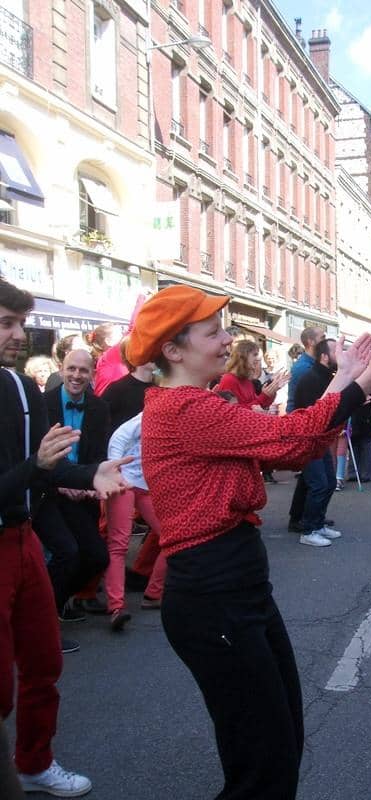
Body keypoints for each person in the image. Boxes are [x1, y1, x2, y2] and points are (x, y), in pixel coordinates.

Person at [125, 284, 371, 800]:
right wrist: (362, 381)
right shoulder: (184, 410)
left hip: (236, 587)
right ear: (173, 351)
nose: (227, 339)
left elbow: (292, 448)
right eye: (213, 331)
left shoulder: (198, 404)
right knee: (263, 766)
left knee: (279, 744)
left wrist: (348, 379)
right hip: (212, 592)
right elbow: (294, 438)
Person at [0, 277, 130, 798]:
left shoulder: (19, 387)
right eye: (7, 324)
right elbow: (32, 468)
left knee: (44, 662)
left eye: (20, 323)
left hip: (24, 535)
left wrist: (90, 474)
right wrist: (39, 467)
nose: (19, 335)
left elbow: (43, 469)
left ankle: (34, 762)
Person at [34, 350, 111, 627]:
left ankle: (57, 599)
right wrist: (64, 482)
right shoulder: (43, 403)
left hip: (83, 493)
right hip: (50, 493)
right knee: (67, 551)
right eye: (71, 369)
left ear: (92, 374)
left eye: (83, 370)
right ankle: (46, 615)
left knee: (97, 556)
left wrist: (88, 480)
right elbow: (37, 452)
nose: (77, 375)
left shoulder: (99, 407)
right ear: (61, 369)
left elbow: (100, 452)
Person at [105, 412, 168, 628]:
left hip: (146, 486)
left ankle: (153, 594)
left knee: (172, 537)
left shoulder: (175, 419)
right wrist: (116, 473)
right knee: (119, 544)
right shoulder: (146, 417)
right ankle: (116, 606)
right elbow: (118, 439)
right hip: (124, 482)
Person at [293, 338, 342, 547]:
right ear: (324, 357)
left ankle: (317, 523)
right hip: (308, 441)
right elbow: (317, 412)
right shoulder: (312, 378)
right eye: (335, 351)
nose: (339, 355)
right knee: (319, 484)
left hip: (319, 441)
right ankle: (309, 530)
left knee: (328, 483)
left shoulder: (325, 377)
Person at [100, 338, 155, 434]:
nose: (155, 353)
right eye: (148, 349)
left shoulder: (161, 386)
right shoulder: (116, 390)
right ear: (135, 354)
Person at [216, 340, 287, 410]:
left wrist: (271, 392)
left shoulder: (246, 379)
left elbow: (259, 404)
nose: (257, 359)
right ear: (244, 356)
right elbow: (234, 412)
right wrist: (264, 396)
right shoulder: (229, 380)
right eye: (255, 354)